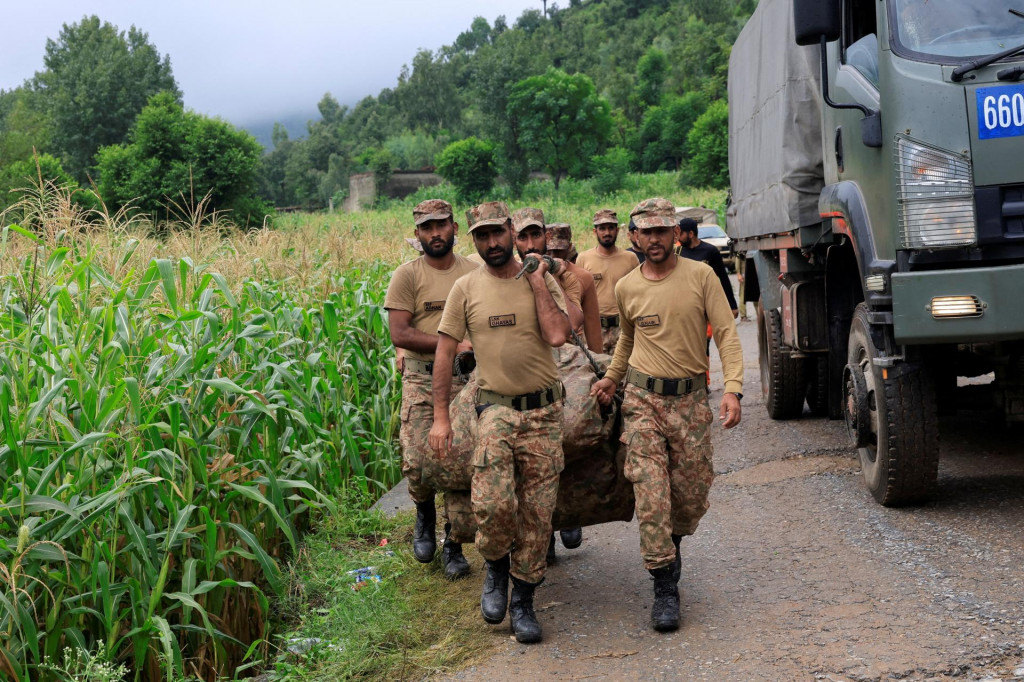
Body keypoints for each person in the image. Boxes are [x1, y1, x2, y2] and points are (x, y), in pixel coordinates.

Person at [591, 197, 743, 632]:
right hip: (643, 402)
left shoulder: (702, 276)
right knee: (651, 492)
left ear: (675, 233)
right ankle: (664, 587)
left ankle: (671, 549)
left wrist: (733, 389)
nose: (654, 239)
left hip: (691, 403)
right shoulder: (627, 287)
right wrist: (611, 379)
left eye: (662, 231)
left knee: (688, 498)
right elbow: (626, 342)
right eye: (646, 232)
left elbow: (728, 336)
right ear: (633, 236)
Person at [429, 200, 571, 644]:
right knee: (493, 504)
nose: (491, 242)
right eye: (482, 236)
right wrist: (439, 418)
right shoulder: (466, 288)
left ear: (511, 230)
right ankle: (494, 567)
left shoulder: (540, 278)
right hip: (495, 410)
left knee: (537, 512)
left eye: (497, 232)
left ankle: (524, 601)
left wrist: (537, 282)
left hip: (544, 414)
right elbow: (444, 352)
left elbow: (558, 335)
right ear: (473, 238)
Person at [384, 199, 479, 580]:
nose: (435, 233)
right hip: (422, 379)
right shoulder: (407, 276)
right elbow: (400, 333)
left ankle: (453, 542)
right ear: (417, 234)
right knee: (419, 461)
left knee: (461, 462)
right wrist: (451, 344)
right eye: (427, 227)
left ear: (454, 227)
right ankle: (424, 512)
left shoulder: (474, 272)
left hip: (467, 380)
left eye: (441, 225)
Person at [512, 208, 589, 562]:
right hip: (516, 379)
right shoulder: (497, 276)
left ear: (545, 237)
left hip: (558, 373)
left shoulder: (556, 276)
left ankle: (566, 518)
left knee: (564, 449)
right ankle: (542, 538)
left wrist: (543, 279)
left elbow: (571, 324)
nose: (530, 245)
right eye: (522, 237)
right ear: (512, 240)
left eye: (535, 236)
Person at [576, 209, 640, 355]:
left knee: (624, 373)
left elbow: (639, 293)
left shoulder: (630, 258)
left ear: (617, 230)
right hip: (594, 328)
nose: (607, 233)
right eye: (602, 228)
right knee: (596, 373)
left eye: (611, 228)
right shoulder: (584, 259)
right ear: (595, 231)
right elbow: (577, 295)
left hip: (623, 329)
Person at [546, 223, 603, 354]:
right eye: (549, 250)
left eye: (559, 250)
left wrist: (598, 362)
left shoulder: (583, 277)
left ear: (570, 247)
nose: (554, 255)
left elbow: (592, 325)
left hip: (574, 355)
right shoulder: (534, 274)